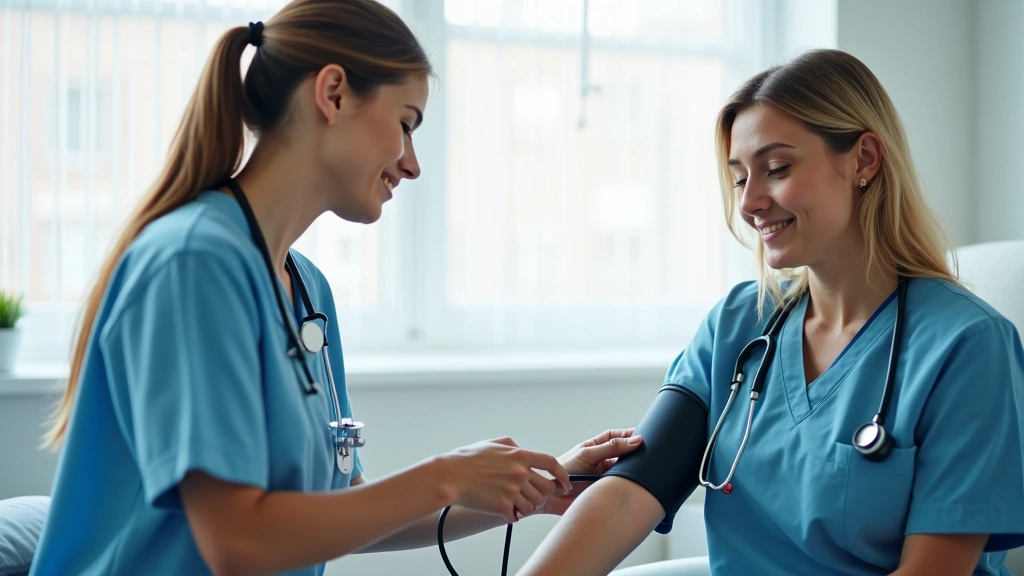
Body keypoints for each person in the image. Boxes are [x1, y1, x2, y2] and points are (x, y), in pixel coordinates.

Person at [27, 1, 642, 574]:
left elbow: (339, 512)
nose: (412, 162)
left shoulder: (306, 290)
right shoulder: (192, 265)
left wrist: (536, 487)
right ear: (333, 92)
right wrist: (448, 475)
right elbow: (236, 540)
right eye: (405, 123)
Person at [516, 49, 1024, 576]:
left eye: (777, 169)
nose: (749, 202)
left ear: (864, 160)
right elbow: (626, 497)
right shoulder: (738, 322)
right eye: (739, 178)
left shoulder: (968, 346)